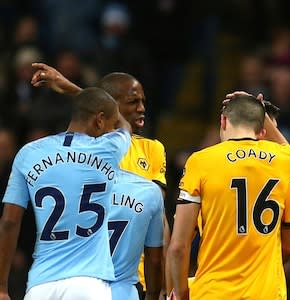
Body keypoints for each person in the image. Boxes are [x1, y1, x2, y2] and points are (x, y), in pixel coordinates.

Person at [30, 63, 168, 298]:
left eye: (143, 101)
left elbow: (157, 219)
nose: (142, 108)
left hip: (132, 279)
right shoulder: (85, 148)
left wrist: (164, 286)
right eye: (133, 102)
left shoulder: (152, 149)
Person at [0, 87, 131, 300]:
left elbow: (9, 222)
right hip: (90, 284)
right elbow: (125, 123)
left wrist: (2, 287)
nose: (111, 129)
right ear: (99, 120)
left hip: (42, 285)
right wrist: (71, 88)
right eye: (109, 123)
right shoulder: (109, 148)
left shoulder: (29, 153)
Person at [167, 93, 290, 300]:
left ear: (223, 120)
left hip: (213, 293)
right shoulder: (285, 162)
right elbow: (289, 247)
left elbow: (178, 247)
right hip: (266, 293)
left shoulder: (201, 162)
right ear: (262, 130)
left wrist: (182, 295)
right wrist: (258, 109)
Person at [109, 170, 164, 300]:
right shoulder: (147, 190)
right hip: (123, 292)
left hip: (75, 288)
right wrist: (152, 295)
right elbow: (155, 259)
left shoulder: (63, 186)